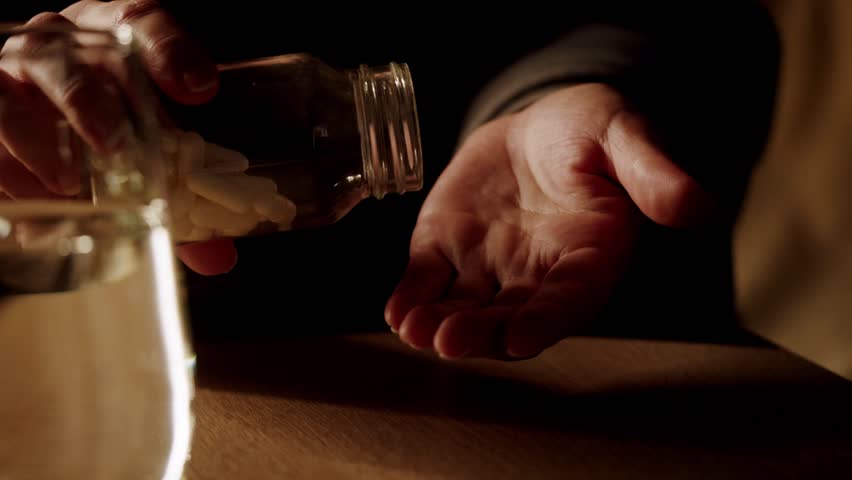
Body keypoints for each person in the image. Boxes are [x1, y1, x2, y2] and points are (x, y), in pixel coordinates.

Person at [1, 1, 780, 359]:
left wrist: (562, 87)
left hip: (600, 380)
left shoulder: (336, 157)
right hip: (127, 359)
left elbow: (704, 19)